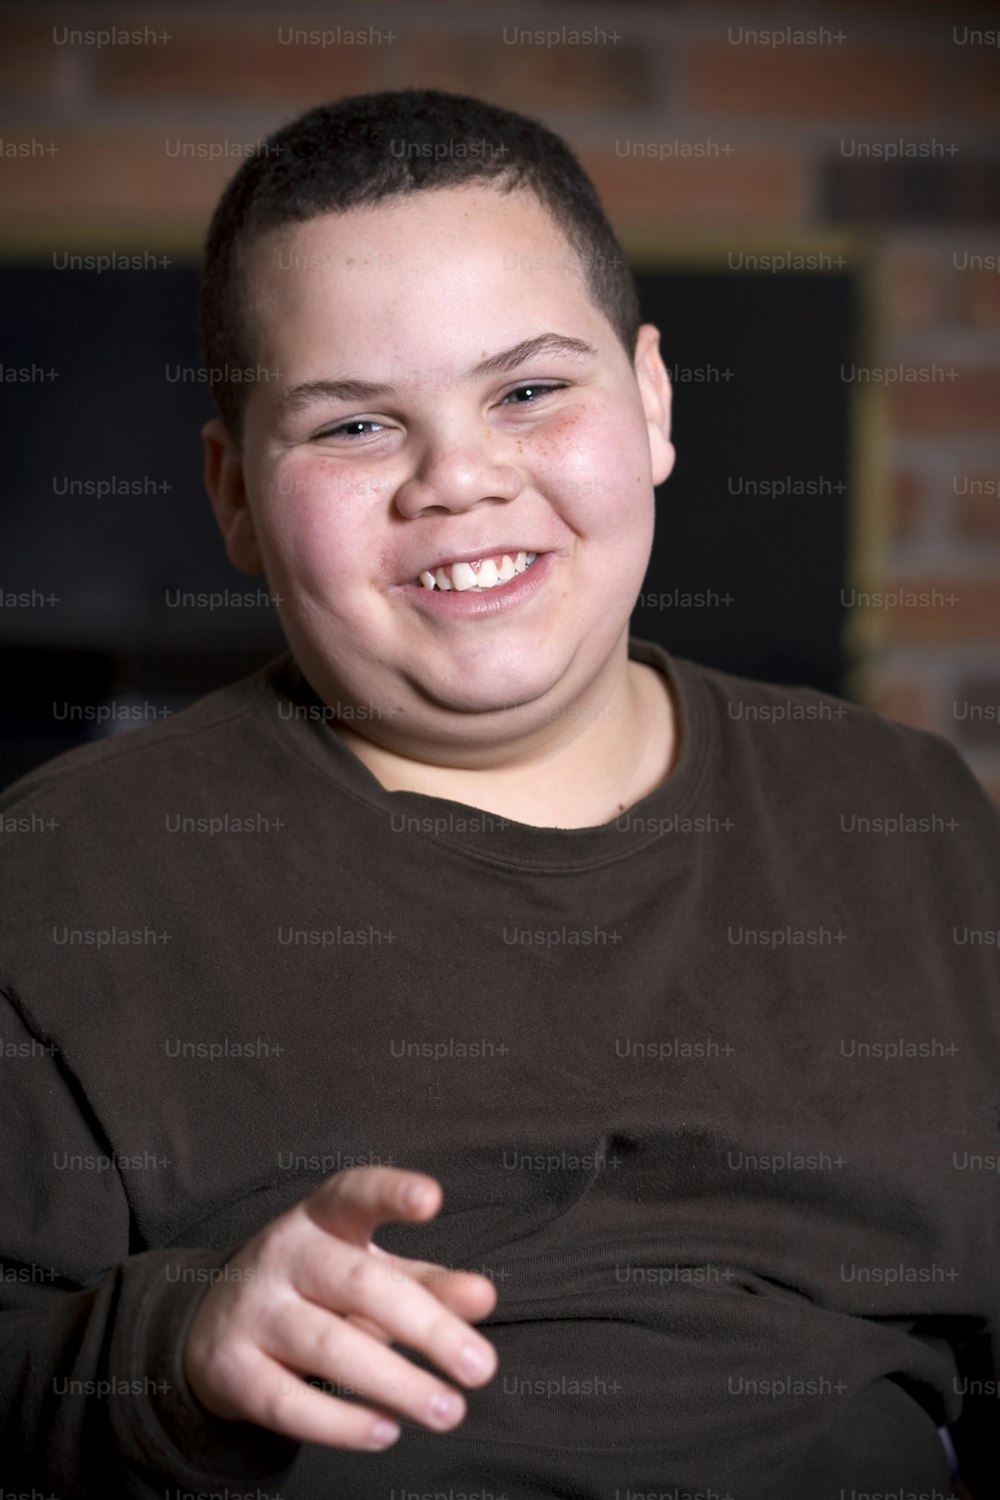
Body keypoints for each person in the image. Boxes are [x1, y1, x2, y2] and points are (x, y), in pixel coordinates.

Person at [1, 87, 996, 1500]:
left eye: (528, 391)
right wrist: (175, 1347)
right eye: (353, 427)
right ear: (232, 496)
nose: (458, 480)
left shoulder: (903, 821)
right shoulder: (64, 878)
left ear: (651, 405)